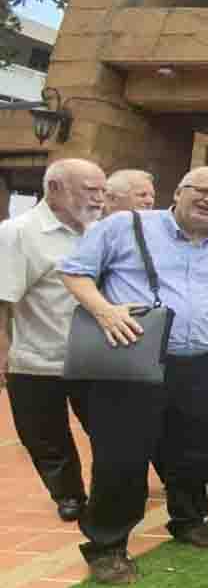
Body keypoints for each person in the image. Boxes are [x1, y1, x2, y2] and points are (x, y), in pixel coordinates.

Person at [60, 166, 208, 585]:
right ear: (178, 191)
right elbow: (74, 271)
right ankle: (107, 546)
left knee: (194, 450)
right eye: (201, 190)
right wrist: (104, 311)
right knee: (122, 457)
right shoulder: (124, 226)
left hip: (201, 363)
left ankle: (188, 520)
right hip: (134, 360)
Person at [0, 158, 106, 522]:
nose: (99, 198)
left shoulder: (100, 231)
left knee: (110, 430)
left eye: (102, 190)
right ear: (55, 188)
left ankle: (113, 491)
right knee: (45, 436)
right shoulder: (18, 232)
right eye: (90, 190)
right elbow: (2, 299)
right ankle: (69, 495)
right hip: (36, 357)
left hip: (97, 358)